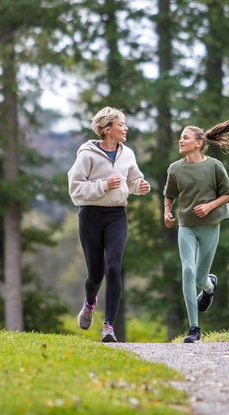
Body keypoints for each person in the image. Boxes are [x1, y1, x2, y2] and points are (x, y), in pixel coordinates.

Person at [67, 107, 151, 343]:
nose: (126, 128)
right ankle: (90, 303)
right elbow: (75, 191)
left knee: (113, 267)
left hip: (117, 215)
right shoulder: (86, 155)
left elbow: (133, 180)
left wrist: (140, 187)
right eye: (121, 124)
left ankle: (109, 327)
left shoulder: (128, 154)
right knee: (95, 274)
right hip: (90, 216)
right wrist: (104, 185)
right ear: (107, 129)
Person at [163, 116, 229, 343]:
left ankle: (209, 286)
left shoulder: (214, 166)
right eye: (180, 138)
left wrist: (209, 206)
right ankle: (194, 329)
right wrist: (167, 212)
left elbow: (228, 193)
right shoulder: (175, 169)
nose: (180, 141)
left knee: (200, 278)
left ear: (198, 143)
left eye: (185, 138)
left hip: (210, 227)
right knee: (187, 271)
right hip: (186, 226)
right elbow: (169, 194)